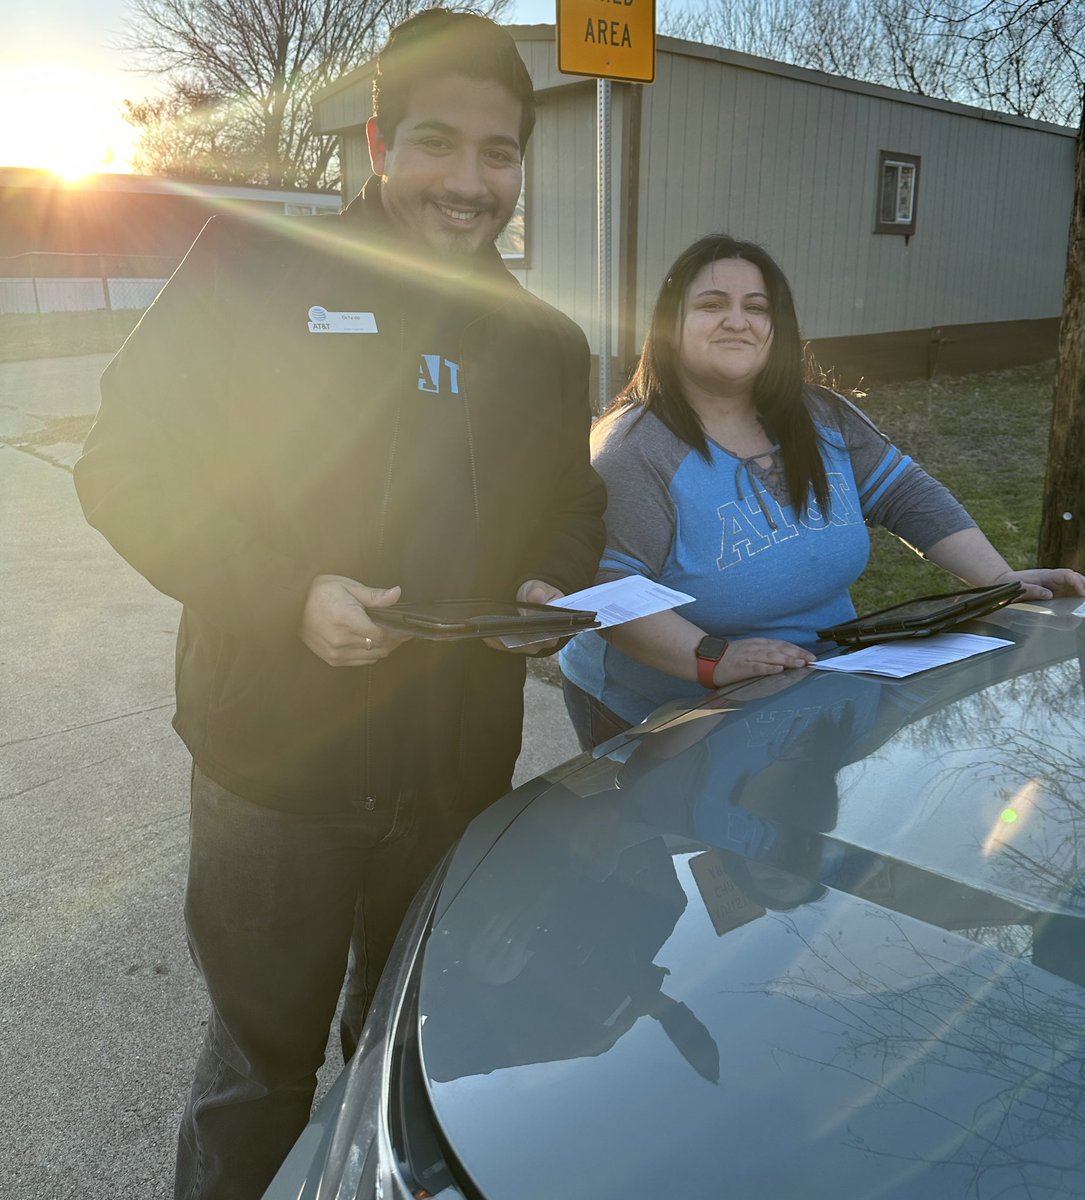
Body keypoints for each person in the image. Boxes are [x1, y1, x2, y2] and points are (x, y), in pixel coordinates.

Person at [73, 11, 605, 1198]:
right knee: (261, 1071)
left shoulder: (541, 340)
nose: (470, 183)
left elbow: (569, 506)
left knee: (401, 1058)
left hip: (454, 774)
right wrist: (286, 595)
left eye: (500, 152)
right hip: (276, 772)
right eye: (435, 142)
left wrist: (550, 585)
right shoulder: (252, 266)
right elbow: (126, 469)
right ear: (375, 142)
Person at [559, 232, 1085, 749]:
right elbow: (609, 588)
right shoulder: (635, 449)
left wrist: (999, 580)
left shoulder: (822, 416)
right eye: (711, 304)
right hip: (667, 706)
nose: (737, 320)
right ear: (671, 325)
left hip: (810, 686)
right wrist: (713, 658)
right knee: (677, 834)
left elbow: (907, 495)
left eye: (757, 307)